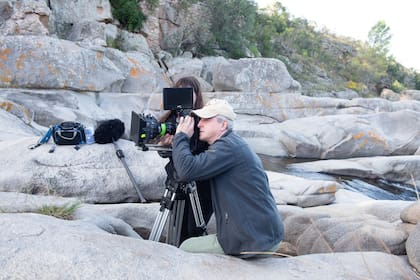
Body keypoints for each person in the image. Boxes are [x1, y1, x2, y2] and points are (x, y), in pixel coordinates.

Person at [171, 98, 284, 258]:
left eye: (206, 119)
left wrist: (181, 137)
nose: (199, 124)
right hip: (262, 235)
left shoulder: (228, 148)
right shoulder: (232, 144)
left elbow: (187, 171)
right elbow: (193, 166)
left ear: (223, 124)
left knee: (185, 247)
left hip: (252, 241)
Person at [158, 76, 213, 245]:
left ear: (197, 95)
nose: (184, 96)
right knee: (177, 224)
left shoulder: (203, 120)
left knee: (193, 227)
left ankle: (193, 254)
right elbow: (163, 153)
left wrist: (181, 140)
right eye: (180, 90)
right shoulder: (170, 119)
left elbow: (199, 149)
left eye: (189, 91)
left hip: (200, 183)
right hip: (176, 179)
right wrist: (165, 146)